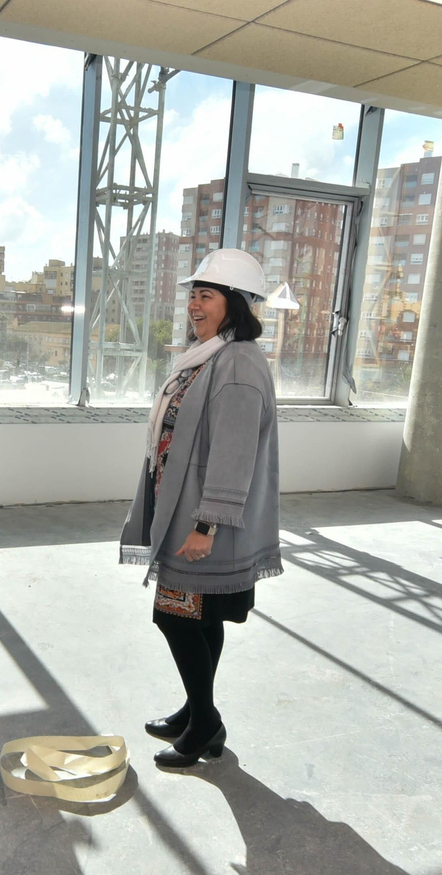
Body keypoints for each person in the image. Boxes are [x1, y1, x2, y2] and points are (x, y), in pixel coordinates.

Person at [118, 248, 292, 768]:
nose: (195, 304)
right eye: (193, 294)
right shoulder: (211, 354)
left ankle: (205, 726)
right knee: (198, 619)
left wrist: (205, 525)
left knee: (176, 618)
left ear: (234, 304)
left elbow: (233, 454)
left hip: (203, 524)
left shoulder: (236, 363)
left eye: (207, 295)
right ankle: (196, 711)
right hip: (187, 512)